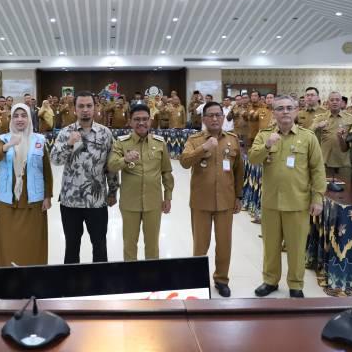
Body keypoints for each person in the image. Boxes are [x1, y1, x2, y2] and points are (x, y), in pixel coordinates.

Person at [249, 95, 326, 298]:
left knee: (297, 247)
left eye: (289, 108)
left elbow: (318, 169)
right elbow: (253, 159)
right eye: (280, 108)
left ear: (296, 111)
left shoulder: (308, 137)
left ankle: (296, 284)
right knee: (271, 247)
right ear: (274, 112)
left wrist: (318, 198)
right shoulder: (264, 135)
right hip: (271, 202)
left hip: (298, 203)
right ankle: (270, 281)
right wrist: (267, 145)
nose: (285, 111)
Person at [179, 102, 243, 297]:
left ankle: (221, 280)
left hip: (225, 201)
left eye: (218, 115)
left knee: (224, 244)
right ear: (204, 118)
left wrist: (239, 196)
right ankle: (197, 279)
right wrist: (203, 148)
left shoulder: (232, 140)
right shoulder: (195, 139)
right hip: (201, 202)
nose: (215, 119)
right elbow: (184, 162)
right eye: (210, 115)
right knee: (200, 245)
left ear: (223, 117)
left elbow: (239, 171)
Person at [50, 91, 118, 263]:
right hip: (70, 202)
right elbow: (55, 160)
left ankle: (100, 279)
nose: (85, 110)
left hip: (97, 201)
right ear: (75, 109)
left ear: (95, 108)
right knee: (71, 247)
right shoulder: (66, 132)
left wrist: (113, 191)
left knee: (100, 246)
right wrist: (69, 144)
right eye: (81, 106)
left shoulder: (105, 133)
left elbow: (111, 166)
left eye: (89, 106)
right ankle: (72, 280)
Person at [108, 104, 174, 261]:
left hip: (153, 203)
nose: (141, 123)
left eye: (145, 119)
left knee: (152, 245)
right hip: (130, 204)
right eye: (137, 119)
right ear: (130, 121)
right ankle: (131, 276)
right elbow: (111, 166)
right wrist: (125, 159)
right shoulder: (121, 143)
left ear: (150, 121)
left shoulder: (159, 143)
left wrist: (168, 197)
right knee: (129, 244)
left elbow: (166, 172)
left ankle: (152, 275)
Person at [0, 104, 53, 266]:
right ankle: (5, 274)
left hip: (33, 201)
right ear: (11, 119)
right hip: (7, 201)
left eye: (23, 115)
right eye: (16, 116)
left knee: (32, 242)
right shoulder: (3, 139)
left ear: (29, 119)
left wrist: (48, 196)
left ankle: (34, 275)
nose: (20, 119)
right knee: (8, 241)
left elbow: (46, 170)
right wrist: (9, 145)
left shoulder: (39, 140)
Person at [311, 91, 352, 182]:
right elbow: (308, 132)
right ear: (328, 102)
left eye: (337, 100)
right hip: (325, 161)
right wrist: (318, 126)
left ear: (341, 102)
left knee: (345, 187)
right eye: (332, 100)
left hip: (343, 162)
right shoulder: (320, 117)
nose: (334, 102)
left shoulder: (350, 118)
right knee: (325, 188)